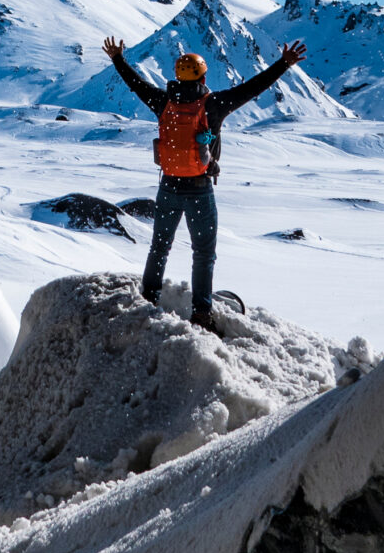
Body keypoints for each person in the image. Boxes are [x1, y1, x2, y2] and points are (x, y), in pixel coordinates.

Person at [100, 35, 308, 333]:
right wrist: (283, 65)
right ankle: (201, 313)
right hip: (199, 189)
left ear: (177, 76)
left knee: (159, 248)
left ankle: (148, 298)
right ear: (204, 76)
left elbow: (137, 86)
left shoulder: (163, 103)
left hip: (168, 187)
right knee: (203, 254)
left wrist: (118, 59)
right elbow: (252, 89)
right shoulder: (214, 104)